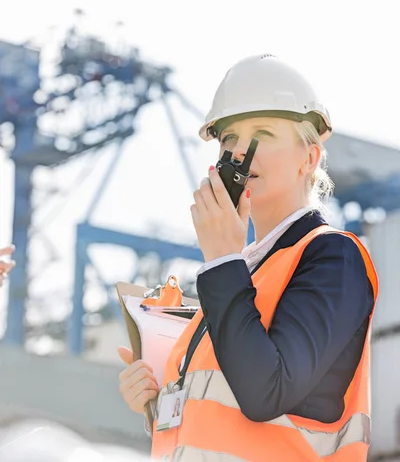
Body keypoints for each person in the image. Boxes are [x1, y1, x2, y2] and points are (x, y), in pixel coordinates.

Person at [118, 54, 378, 462]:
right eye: (227, 139)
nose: (238, 152)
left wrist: (222, 261)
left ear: (308, 159)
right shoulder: (238, 278)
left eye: (263, 133)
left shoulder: (332, 257)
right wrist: (159, 394)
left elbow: (266, 393)